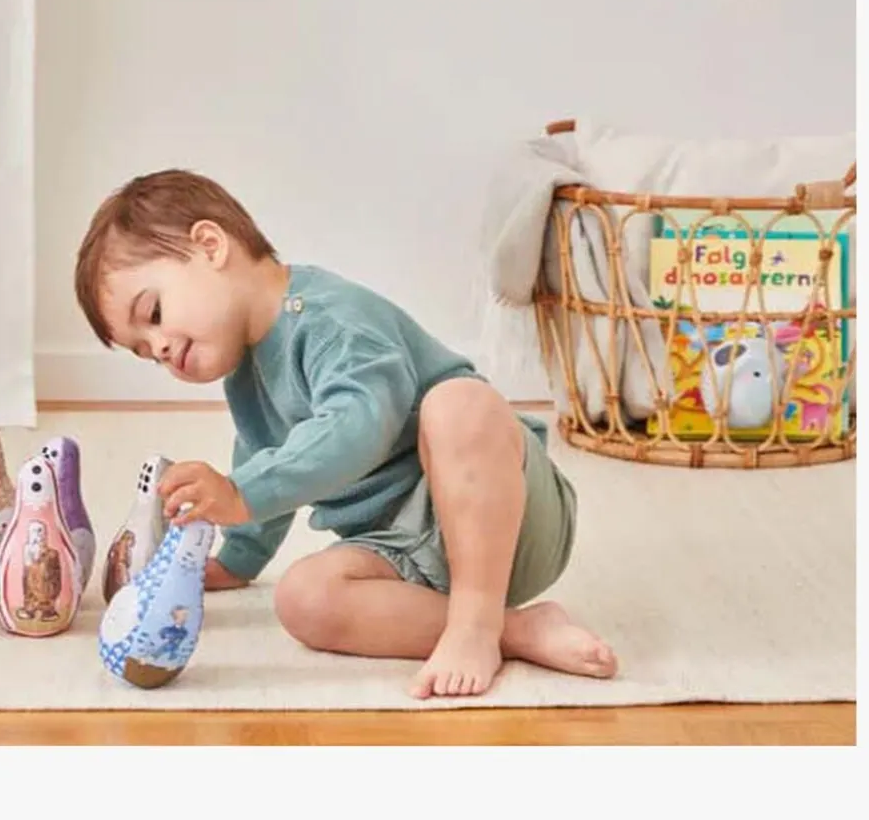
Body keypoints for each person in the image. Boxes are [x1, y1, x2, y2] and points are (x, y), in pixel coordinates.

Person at [74, 170, 617, 698]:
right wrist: (238, 558)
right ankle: (516, 630)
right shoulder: (246, 375)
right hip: (405, 555)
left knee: (457, 405)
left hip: (507, 516)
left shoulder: (331, 319)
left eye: (154, 313)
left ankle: (476, 624)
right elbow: (268, 454)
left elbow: (360, 426)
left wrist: (240, 494)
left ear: (211, 246)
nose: (160, 347)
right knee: (302, 599)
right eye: (145, 352)